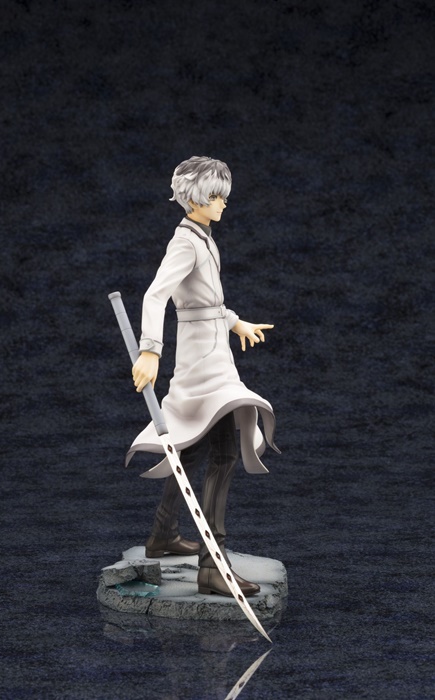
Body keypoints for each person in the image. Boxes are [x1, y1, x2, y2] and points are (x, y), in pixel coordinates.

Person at [127, 156, 279, 596]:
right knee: (225, 452)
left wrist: (236, 322)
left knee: (191, 450)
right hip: (203, 364)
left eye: (223, 195)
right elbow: (156, 296)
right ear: (193, 199)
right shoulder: (186, 243)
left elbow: (206, 302)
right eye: (214, 196)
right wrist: (150, 350)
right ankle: (213, 566)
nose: (223, 203)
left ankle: (162, 535)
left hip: (215, 355)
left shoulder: (204, 238)